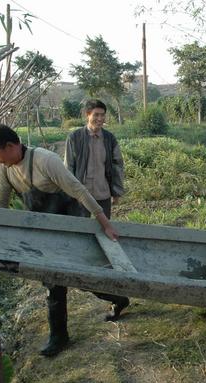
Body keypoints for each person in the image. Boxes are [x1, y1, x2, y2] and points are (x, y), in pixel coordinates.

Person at [0, 123, 119, 357]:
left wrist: (104, 223)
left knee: (83, 277)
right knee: (53, 282)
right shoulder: (5, 170)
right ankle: (58, 336)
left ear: (11, 146)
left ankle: (119, 297)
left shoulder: (46, 161)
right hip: (44, 230)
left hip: (70, 222)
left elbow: (78, 190)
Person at [64, 99, 131, 322]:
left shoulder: (109, 138)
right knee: (82, 234)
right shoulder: (75, 137)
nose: (100, 119)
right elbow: (68, 168)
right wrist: (70, 193)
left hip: (102, 195)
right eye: (96, 115)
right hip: (80, 196)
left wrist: (117, 190)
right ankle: (86, 271)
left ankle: (110, 282)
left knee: (106, 235)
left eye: (103, 115)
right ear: (87, 115)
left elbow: (117, 164)